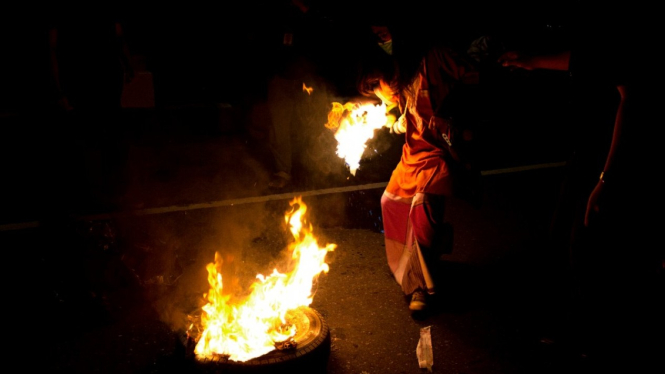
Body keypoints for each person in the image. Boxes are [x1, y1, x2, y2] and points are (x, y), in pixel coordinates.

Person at [498, 21, 662, 370]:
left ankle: (598, 342)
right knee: (561, 239)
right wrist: (533, 60)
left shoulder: (623, 40)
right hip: (586, 154)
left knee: (587, 247)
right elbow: (585, 58)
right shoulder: (597, 40)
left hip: (608, 160)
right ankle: (574, 330)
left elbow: (630, 98)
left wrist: (607, 178)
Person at [357, 19, 480, 313]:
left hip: (439, 154)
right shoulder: (398, 70)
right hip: (413, 155)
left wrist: (453, 114)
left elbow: (474, 77)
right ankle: (428, 251)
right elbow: (403, 108)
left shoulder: (434, 58)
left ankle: (420, 287)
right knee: (391, 201)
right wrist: (392, 119)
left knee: (422, 209)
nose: (379, 90)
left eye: (383, 31)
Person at [46, 7, 135, 210]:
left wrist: (59, 90)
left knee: (91, 135)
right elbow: (119, 35)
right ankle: (105, 192)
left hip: (84, 77)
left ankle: (98, 193)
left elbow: (52, 47)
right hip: (101, 76)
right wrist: (128, 65)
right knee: (104, 134)